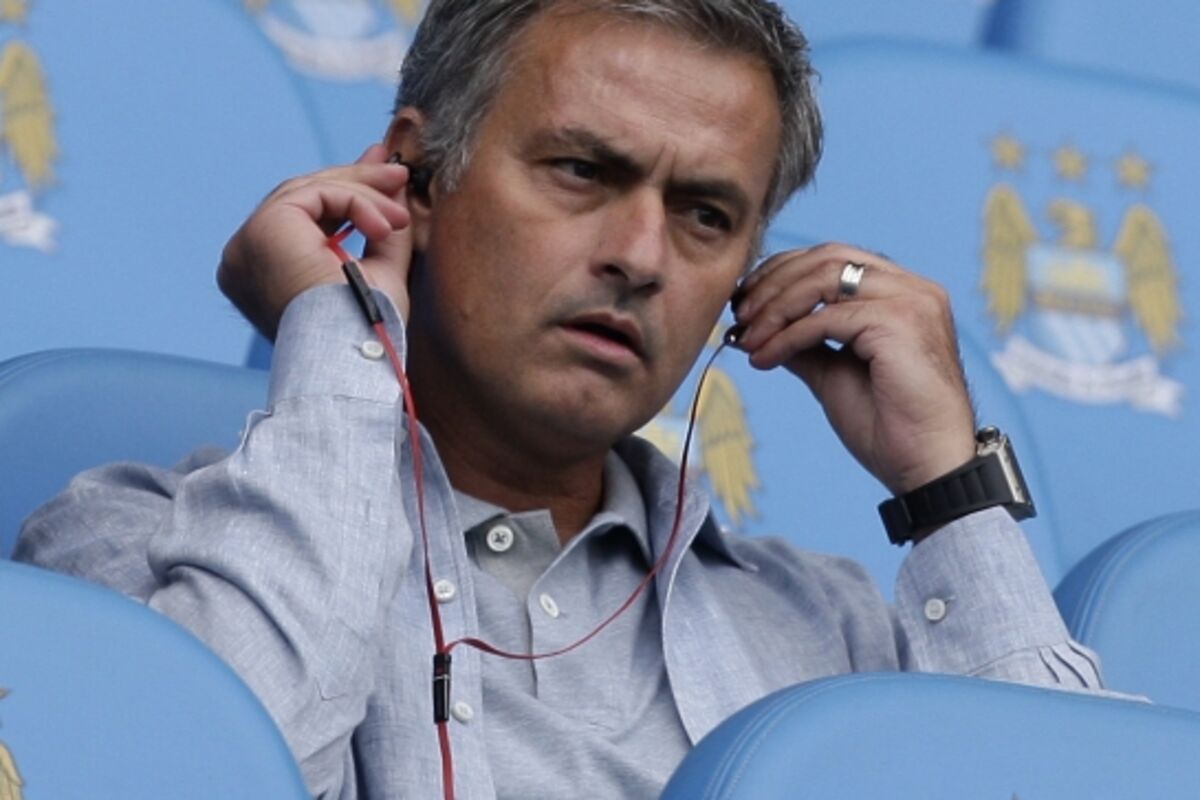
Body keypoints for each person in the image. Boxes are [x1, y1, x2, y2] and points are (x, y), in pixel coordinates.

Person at [16, 1, 1105, 798]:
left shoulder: (832, 631)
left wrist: (950, 495)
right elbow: (212, 777)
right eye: (583, 171)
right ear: (415, 179)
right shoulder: (135, 540)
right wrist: (341, 327)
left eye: (706, 215)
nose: (642, 255)